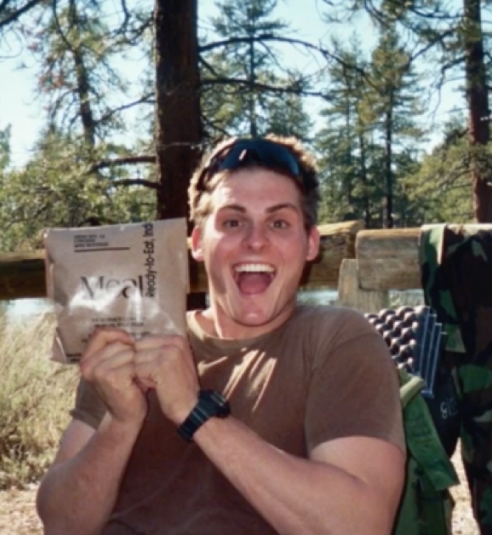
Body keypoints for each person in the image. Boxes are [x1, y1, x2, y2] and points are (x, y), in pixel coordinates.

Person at [36, 135, 407, 535]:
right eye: (233, 222)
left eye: (279, 223)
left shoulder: (337, 340)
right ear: (197, 243)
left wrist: (195, 413)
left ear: (310, 244)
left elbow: (360, 526)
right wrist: (121, 422)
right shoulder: (136, 338)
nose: (255, 241)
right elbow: (61, 524)